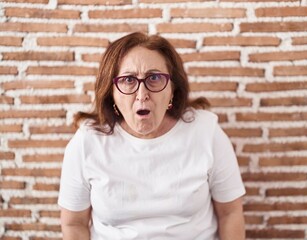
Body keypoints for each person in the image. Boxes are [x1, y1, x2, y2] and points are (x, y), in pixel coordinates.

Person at [58, 32, 246, 240]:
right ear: (111, 91)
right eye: (128, 80)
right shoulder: (87, 142)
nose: (142, 94)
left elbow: (230, 213)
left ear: (172, 89)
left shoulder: (206, 132)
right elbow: (74, 223)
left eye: (154, 78)